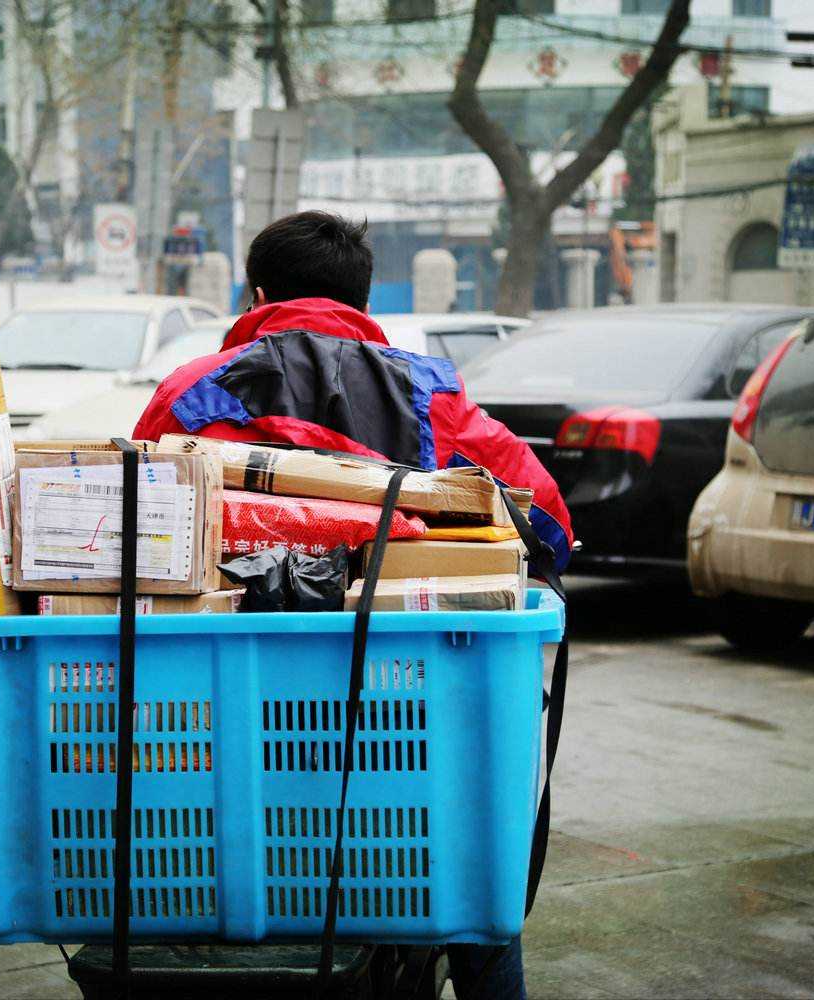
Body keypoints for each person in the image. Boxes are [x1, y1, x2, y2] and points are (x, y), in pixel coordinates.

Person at [134, 211, 571, 999]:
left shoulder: (193, 392)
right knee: (472, 884)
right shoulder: (429, 392)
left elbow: (131, 527)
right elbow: (546, 518)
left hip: (232, 715)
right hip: (402, 708)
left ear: (257, 292)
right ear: (362, 297)